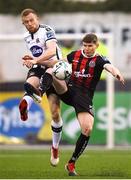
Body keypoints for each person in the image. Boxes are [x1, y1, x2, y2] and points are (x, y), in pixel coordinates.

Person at [52, 33, 124, 176]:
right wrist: (38, 61)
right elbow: (59, 62)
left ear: (96, 45)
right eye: (85, 45)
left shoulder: (99, 60)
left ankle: (71, 163)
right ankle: (36, 91)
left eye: (90, 45)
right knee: (53, 72)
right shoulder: (75, 55)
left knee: (87, 128)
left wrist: (117, 74)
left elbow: (110, 67)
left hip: (83, 97)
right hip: (68, 90)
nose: (87, 48)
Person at [19, 8, 63, 166]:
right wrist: (30, 59)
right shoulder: (26, 37)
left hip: (55, 67)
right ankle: (25, 107)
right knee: (29, 85)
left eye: (31, 20)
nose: (29, 24)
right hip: (40, 66)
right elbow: (36, 55)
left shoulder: (47, 30)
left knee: (55, 113)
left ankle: (55, 147)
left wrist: (36, 60)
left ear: (37, 18)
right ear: (23, 24)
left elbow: (51, 51)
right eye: (26, 22)